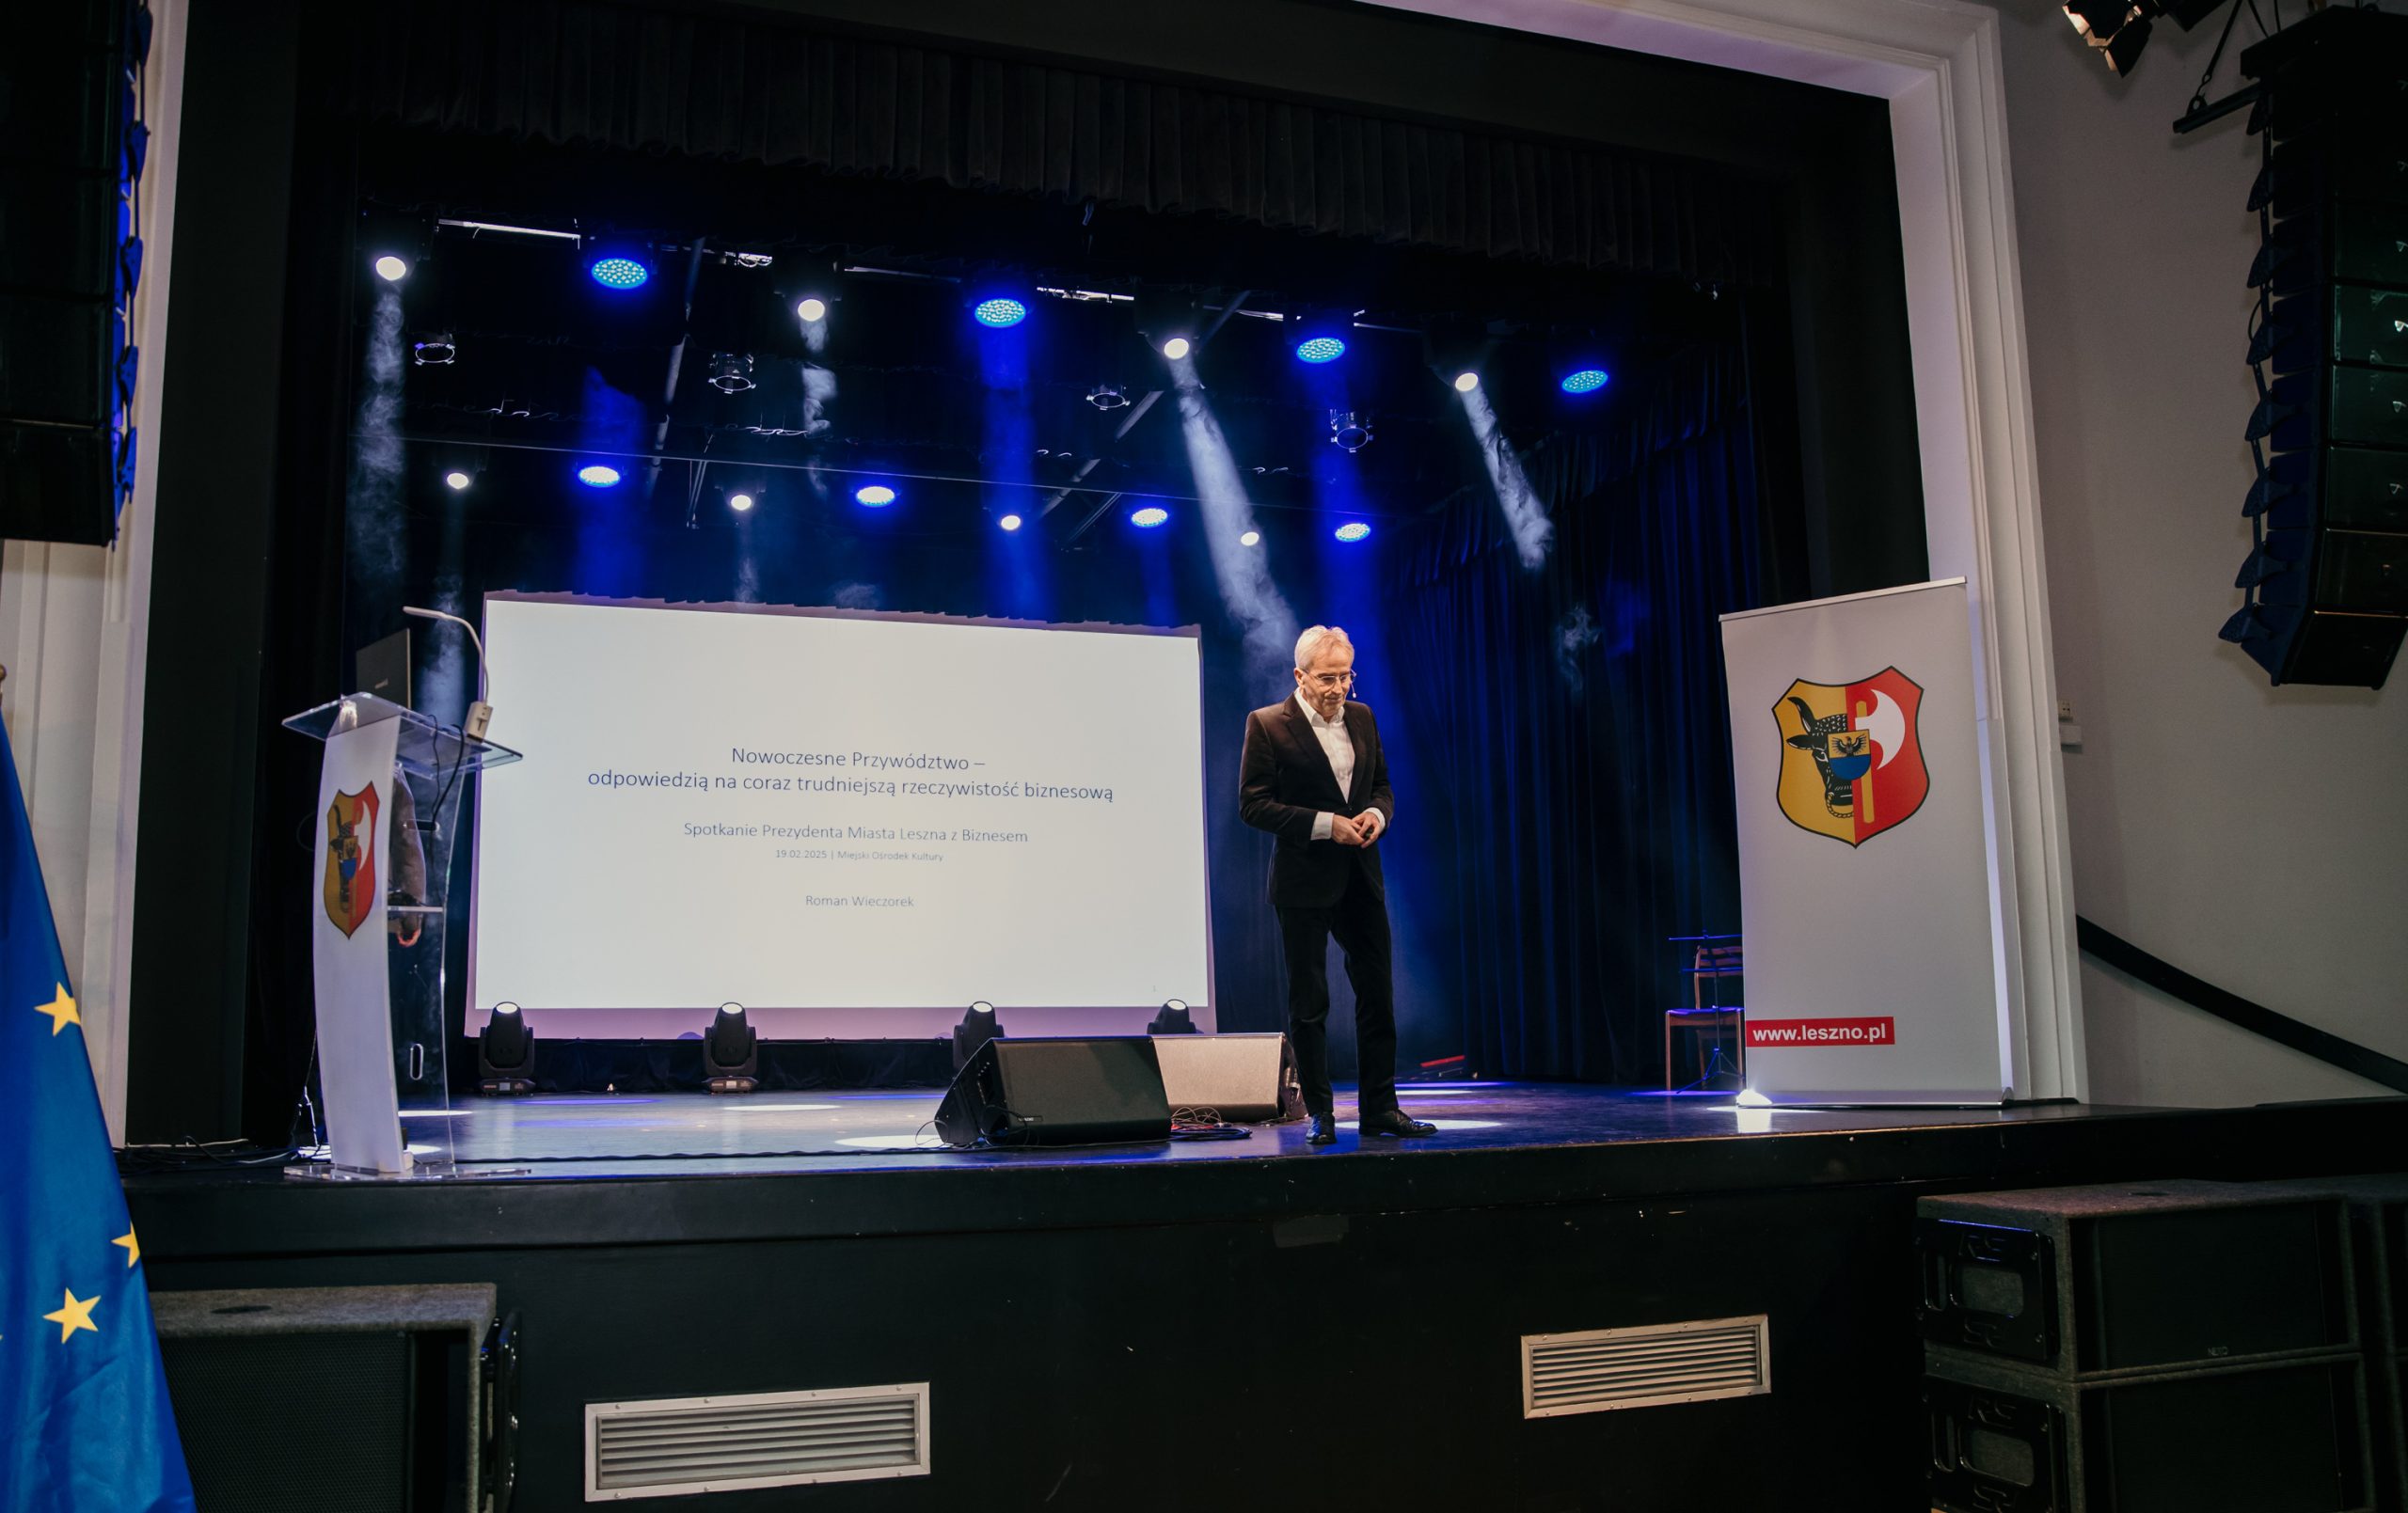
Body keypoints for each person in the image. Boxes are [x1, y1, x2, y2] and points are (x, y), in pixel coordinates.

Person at [1239, 625, 1434, 1145]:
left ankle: (1381, 1109)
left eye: (1346, 676)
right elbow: (1253, 805)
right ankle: (1321, 1113)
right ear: (1299, 676)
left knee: (1378, 997)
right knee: (1310, 1004)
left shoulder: (1363, 717)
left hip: (1361, 876)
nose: (1339, 688)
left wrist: (1376, 815)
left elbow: (1382, 786)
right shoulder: (1267, 724)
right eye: (1327, 678)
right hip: (1303, 880)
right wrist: (1327, 824)